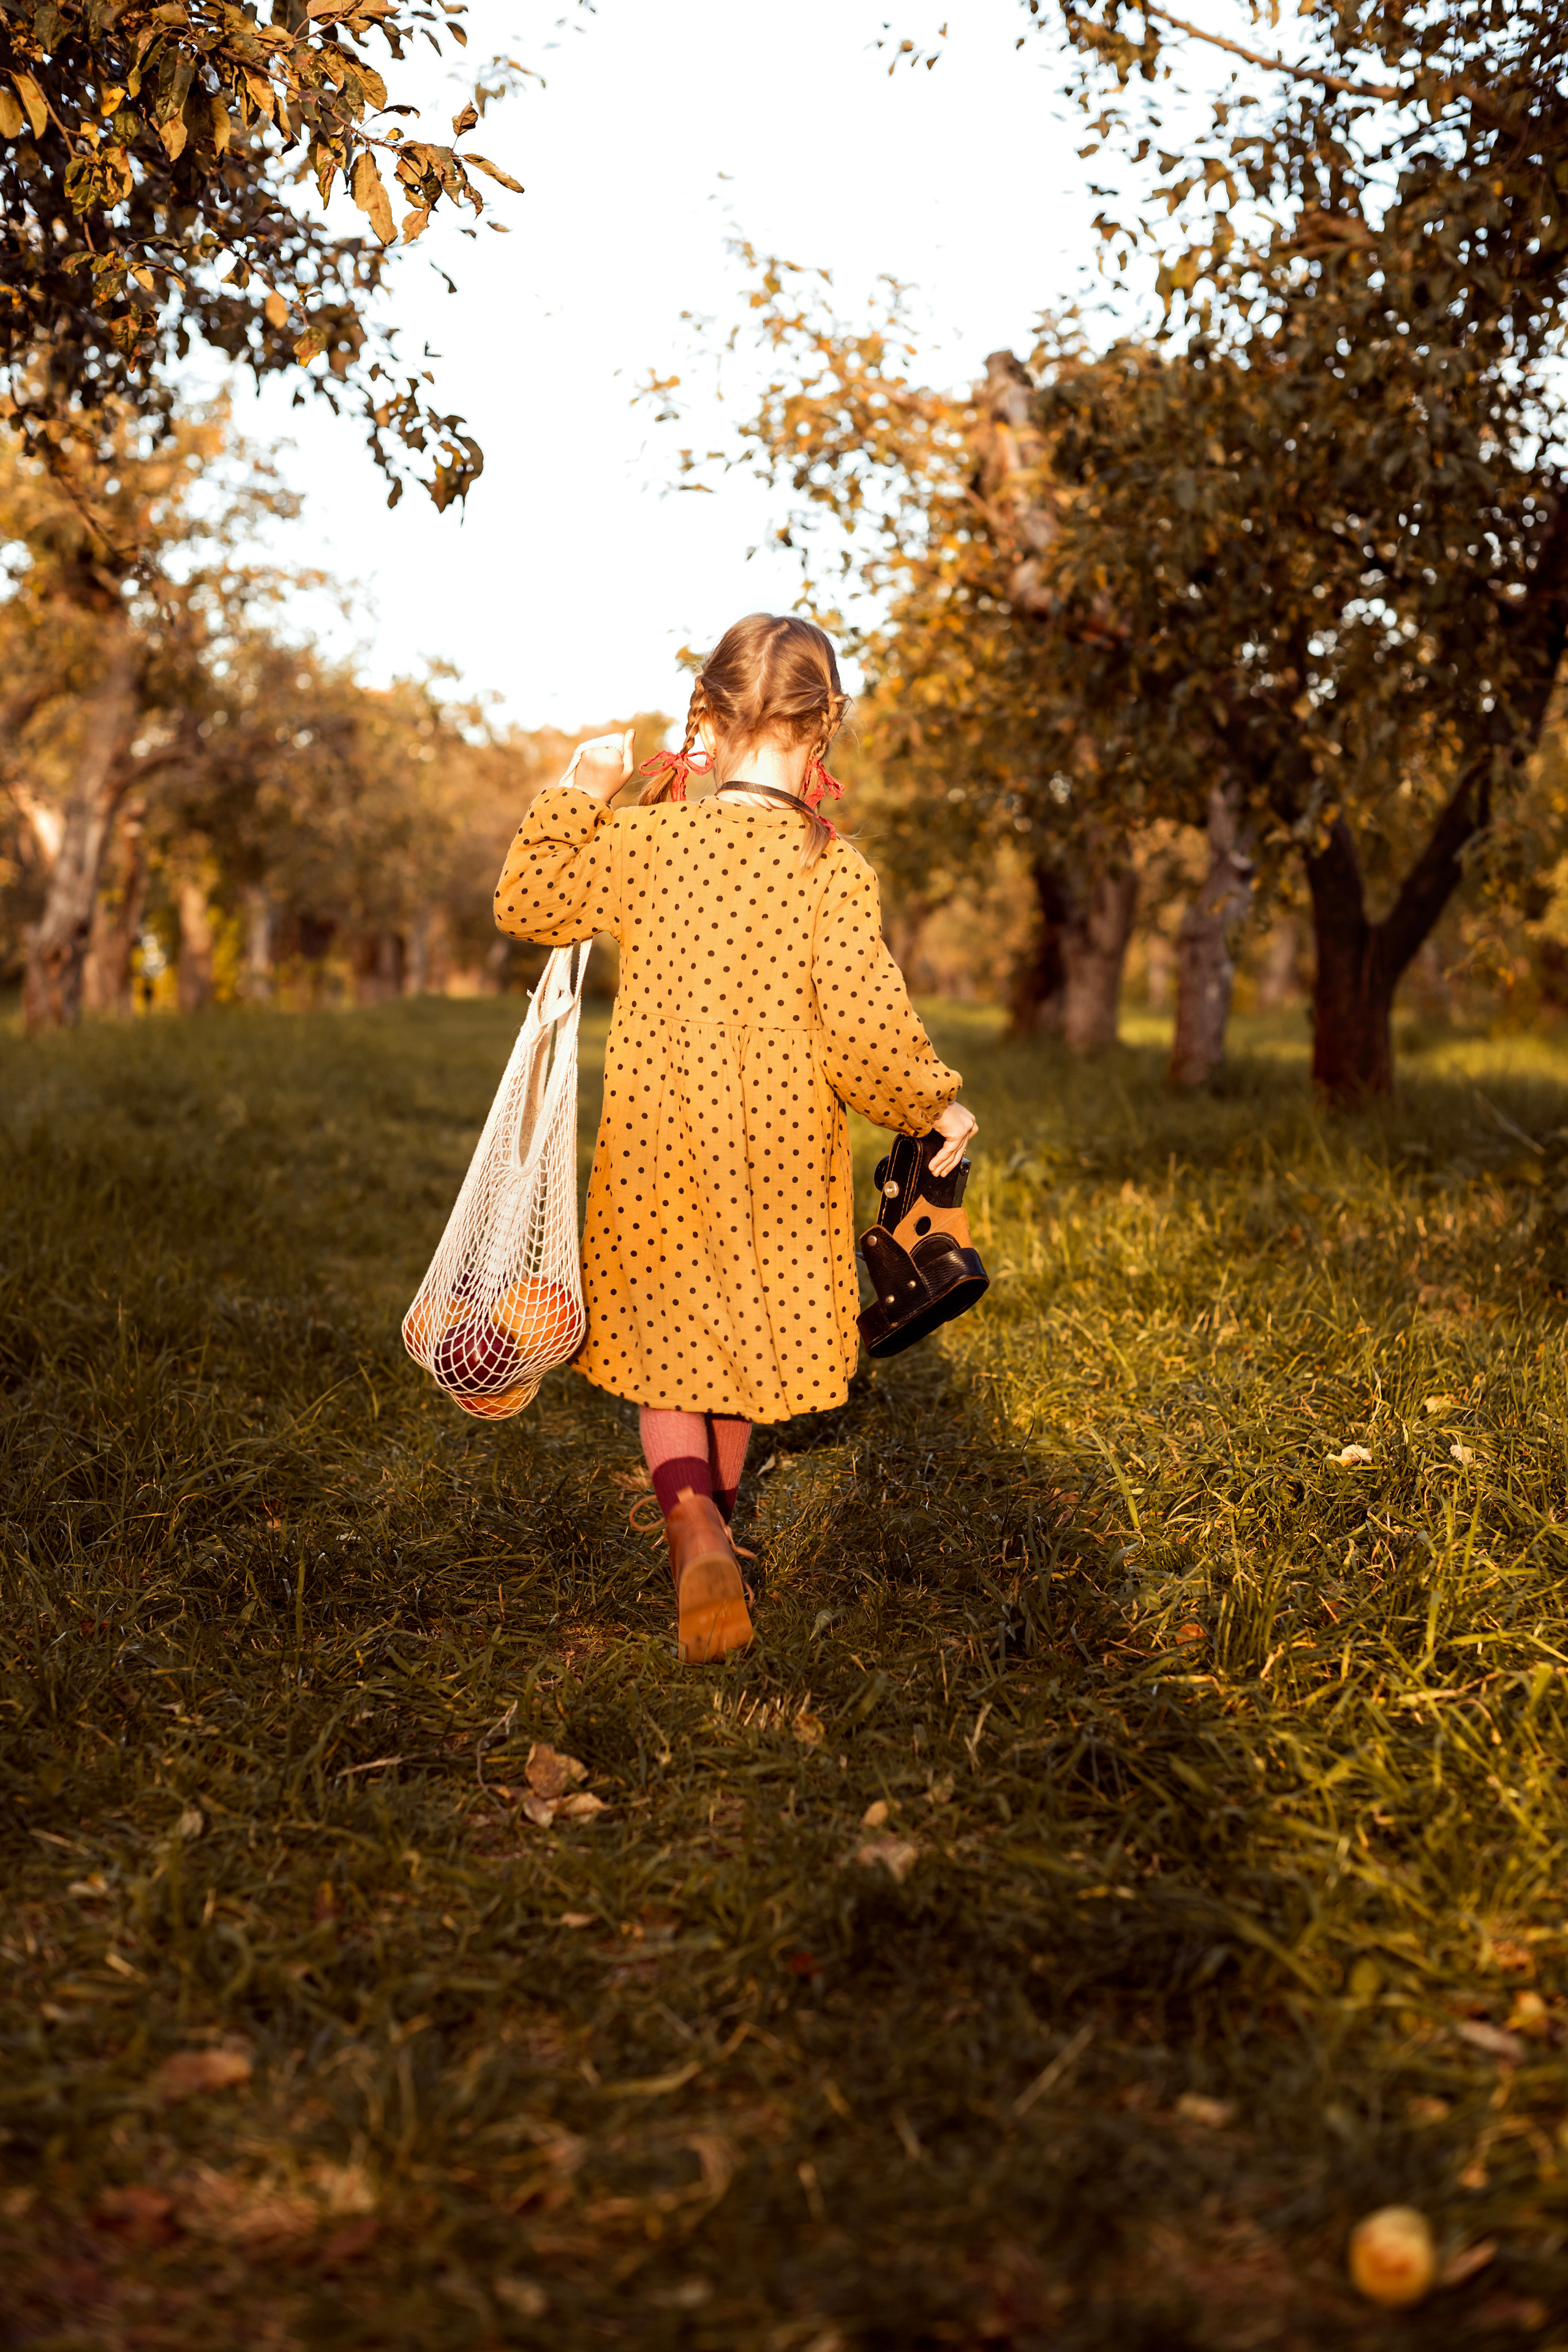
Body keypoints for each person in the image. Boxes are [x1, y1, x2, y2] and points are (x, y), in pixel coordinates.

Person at [493, 614, 977, 1664]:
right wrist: (928, 1102)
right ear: (821, 734)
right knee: (741, 1347)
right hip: (782, 1164)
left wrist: (582, 787)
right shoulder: (830, 868)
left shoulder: (645, 843)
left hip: (657, 1148)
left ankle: (691, 1525)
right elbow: (864, 1027)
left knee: (669, 1353)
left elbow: (528, 899)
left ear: (703, 724)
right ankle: (717, 1518)